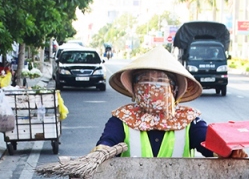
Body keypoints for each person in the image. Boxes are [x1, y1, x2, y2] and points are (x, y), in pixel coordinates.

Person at [96, 46, 229, 158]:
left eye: (160, 81)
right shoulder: (123, 118)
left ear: (174, 89)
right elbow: (107, 142)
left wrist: (228, 152)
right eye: (144, 80)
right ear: (135, 87)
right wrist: (101, 152)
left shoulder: (188, 120)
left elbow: (209, 143)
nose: (151, 88)